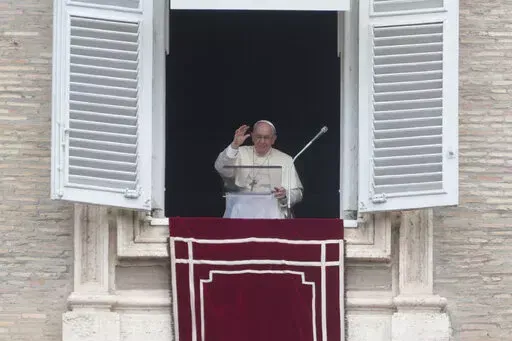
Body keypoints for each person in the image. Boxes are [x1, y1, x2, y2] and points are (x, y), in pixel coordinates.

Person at [214, 120, 303, 218]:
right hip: (241, 211)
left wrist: (285, 194)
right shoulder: (239, 152)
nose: (262, 141)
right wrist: (234, 145)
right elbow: (221, 168)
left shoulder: (285, 159)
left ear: (273, 139)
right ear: (252, 136)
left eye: (266, 137)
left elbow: (297, 193)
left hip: (272, 213)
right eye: (258, 137)